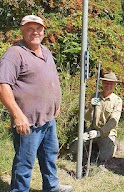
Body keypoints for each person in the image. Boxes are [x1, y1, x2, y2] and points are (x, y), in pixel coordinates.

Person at [0, 15, 72, 191]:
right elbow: (3, 86)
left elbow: (50, 80)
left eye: (38, 28)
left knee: (49, 156)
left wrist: (56, 103)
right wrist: (17, 115)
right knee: (24, 163)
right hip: (28, 122)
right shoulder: (14, 54)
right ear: (22, 31)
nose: (35, 32)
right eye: (30, 29)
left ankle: (52, 186)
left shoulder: (45, 51)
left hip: (48, 118)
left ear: (44, 31)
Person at [70, 72, 122, 163]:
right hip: (92, 130)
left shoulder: (117, 101)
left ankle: (112, 145)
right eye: (106, 82)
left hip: (107, 134)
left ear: (115, 85)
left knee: (105, 158)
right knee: (74, 148)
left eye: (111, 83)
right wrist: (90, 108)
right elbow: (87, 118)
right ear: (102, 83)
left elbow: (113, 122)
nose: (108, 85)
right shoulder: (95, 96)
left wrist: (99, 133)